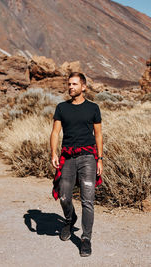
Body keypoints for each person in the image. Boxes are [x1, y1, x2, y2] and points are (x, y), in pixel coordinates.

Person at [50, 72, 103, 257]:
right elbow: (55, 133)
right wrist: (53, 152)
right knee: (64, 196)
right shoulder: (62, 108)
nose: (70, 87)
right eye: (69, 84)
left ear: (84, 87)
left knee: (87, 200)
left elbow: (98, 135)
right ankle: (69, 219)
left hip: (88, 157)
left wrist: (100, 159)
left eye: (74, 84)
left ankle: (86, 239)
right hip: (67, 157)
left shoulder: (93, 108)